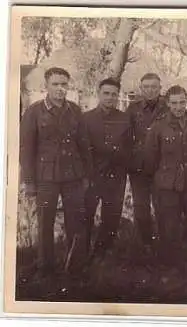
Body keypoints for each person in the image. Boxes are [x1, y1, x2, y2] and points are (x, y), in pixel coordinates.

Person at [20, 67, 92, 278]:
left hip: (73, 176)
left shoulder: (75, 110)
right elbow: (26, 149)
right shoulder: (34, 112)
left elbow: (84, 145)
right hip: (46, 177)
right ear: (46, 86)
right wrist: (29, 181)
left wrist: (86, 175)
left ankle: (75, 266)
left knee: (75, 221)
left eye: (64, 84)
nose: (60, 89)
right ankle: (45, 266)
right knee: (45, 222)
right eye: (55, 84)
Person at [143, 85, 187, 272]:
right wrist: (161, 179)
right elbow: (150, 158)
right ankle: (170, 267)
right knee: (169, 226)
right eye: (174, 103)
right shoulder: (158, 126)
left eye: (182, 102)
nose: (178, 107)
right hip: (168, 185)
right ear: (168, 104)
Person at [83, 78, 133, 263]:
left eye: (114, 94)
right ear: (98, 93)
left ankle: (102, 254)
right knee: (86, 215)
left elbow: (130, 147)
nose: (110, 97)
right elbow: (82, 148)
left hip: (115, 176)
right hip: (92, 176)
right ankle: (82, 253)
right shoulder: (86, 118)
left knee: (111, 217)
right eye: (106, 93)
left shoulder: (125, 119)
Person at [126, 73, 168, 255]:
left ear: (160, 89)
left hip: (162, 166)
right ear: (141, 89)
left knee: (163, 207)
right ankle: (146, 244)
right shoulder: (132, 109)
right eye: (146, 87)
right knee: (141, 207)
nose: (150, 90)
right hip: (139, 167)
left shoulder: (168, 107)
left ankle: (165, 245)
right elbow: (125, 136)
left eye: (154, 87)